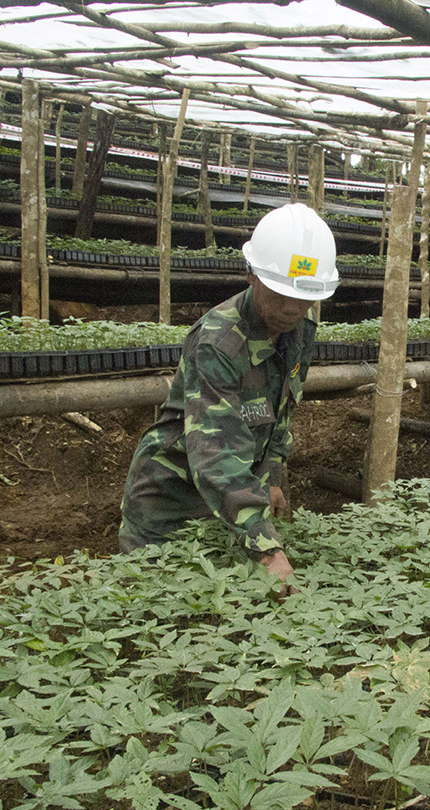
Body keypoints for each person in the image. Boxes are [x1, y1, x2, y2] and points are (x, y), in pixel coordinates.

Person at [118, 203, 338, 589]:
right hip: (171, 502)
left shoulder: (301, 331)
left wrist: (268, 481)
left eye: (304, 297)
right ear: (252, 276)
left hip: (229, 503)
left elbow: (278, 414)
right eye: (280, 294)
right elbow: (215, 449)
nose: (292, 309)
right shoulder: (217, 341)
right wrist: (268, 548)